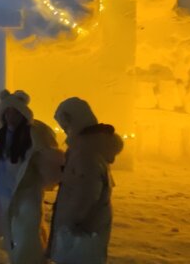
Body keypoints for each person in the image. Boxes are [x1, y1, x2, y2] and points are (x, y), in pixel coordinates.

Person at [0, 90, 64, 264]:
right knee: (10, 232)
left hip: (27, 191)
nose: (11, 117)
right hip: (4, 192)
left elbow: (49, 157)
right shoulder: (0, 137)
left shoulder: (34, 135)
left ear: (23, 115)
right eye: (7, 113)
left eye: (15, 113)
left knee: (28, 231)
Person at [48, 97, 124, 264]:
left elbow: (87, 193)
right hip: (85, 228)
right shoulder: (86, 147)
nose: (64, 129)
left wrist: (71, 222)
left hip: (82, 231)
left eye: (65, 125)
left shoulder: (85, 153)